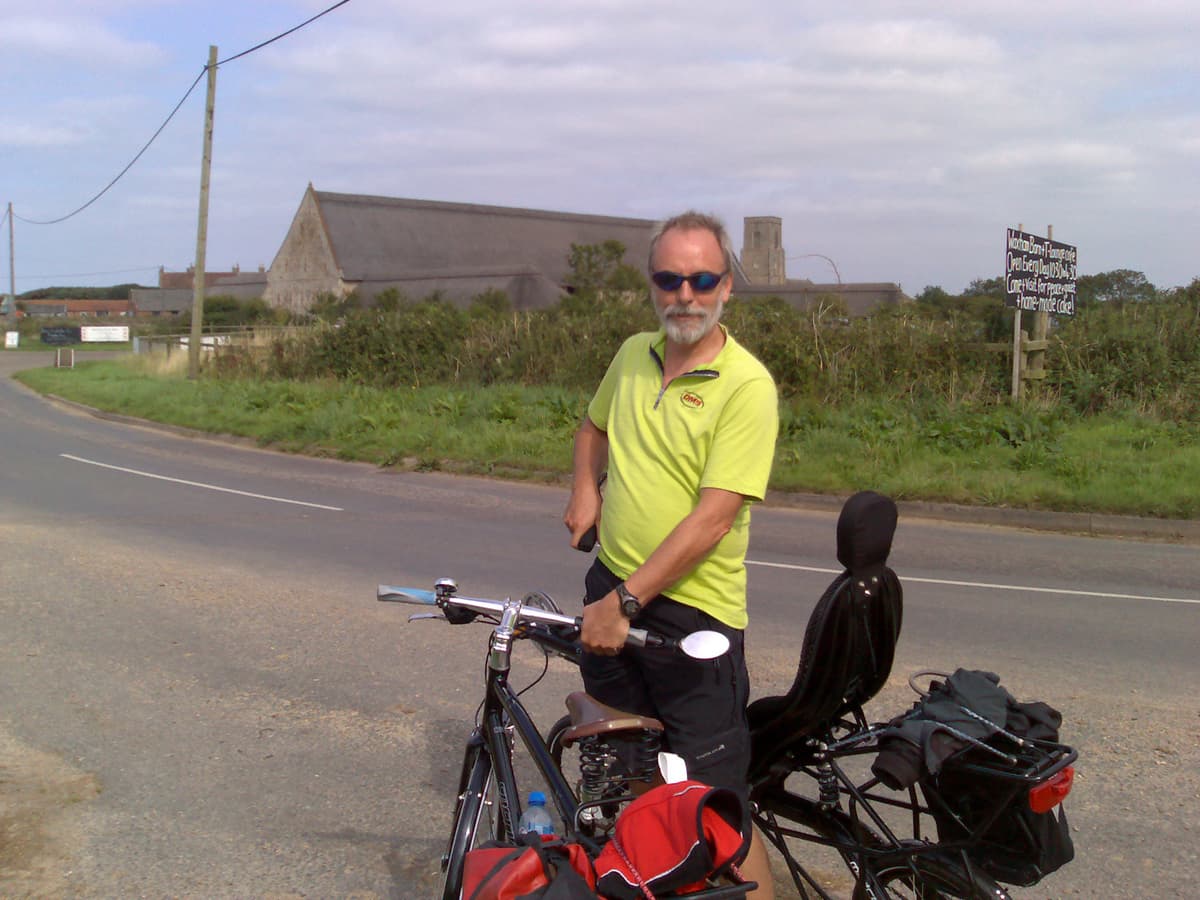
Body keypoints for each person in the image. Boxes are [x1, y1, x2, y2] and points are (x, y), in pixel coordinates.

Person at [563, 210, 778, 898]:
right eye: (669, 278)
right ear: (652, 284)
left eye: (702, 278)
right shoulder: (633, 354)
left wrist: (625, 604)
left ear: (726, 288)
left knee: (718, 815)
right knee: (629, 777)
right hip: (612, 593)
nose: (685, 294)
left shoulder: (747, 386)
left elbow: (713, 520)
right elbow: (592, 426)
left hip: (691, 621)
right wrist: (585, 492)